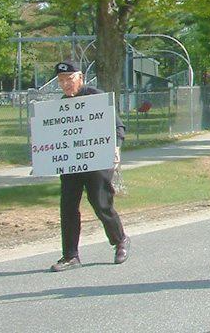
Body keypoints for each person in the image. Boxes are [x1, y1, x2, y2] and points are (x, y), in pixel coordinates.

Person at [50, 60, 130, 272]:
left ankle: (120, 240)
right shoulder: (60, 105)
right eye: (61, 81)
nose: (66, 84)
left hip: (97, 162)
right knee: (68, 206)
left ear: (80, 78)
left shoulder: (95, 97)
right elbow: (54, 136)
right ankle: (70, 256)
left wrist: (116, 148)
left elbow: (118, 126)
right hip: (71, 164)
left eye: (70, 79)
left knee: (101, 203)